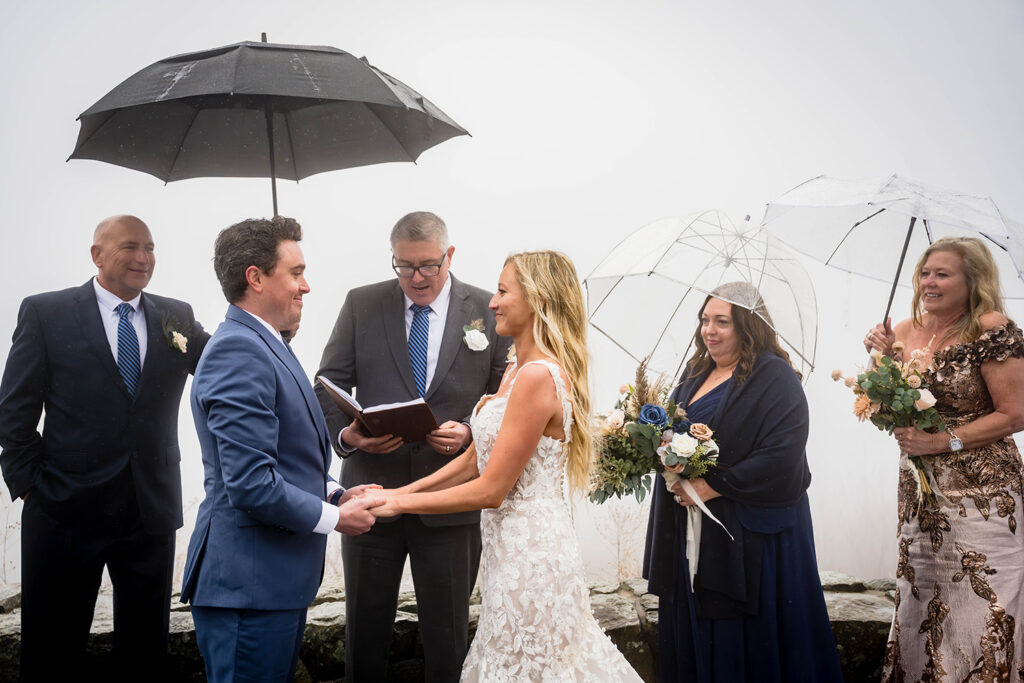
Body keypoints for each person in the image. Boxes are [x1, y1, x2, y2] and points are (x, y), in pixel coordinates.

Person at [369, 250, 643, 681]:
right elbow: (474, 462)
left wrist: (402, 508)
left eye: (502, 291)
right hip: (505, 551)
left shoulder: (538, 376)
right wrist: (397, 493)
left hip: (532, 554)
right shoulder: (517, 369)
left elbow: (490, 490)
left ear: (537, 299)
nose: (492, 303)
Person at [0, 215, 208, 681]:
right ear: (96, 254)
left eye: (150, 248)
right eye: (131, 246)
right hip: (63, 512)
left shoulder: (177, 315)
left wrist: (274, 318)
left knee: (144, 654)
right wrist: (32, 487)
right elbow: (13, 412)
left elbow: (225, 364)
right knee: (52, 652)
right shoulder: (45, 312)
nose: (144, 258)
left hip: (148, 512)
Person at [180, 216, 383, 683]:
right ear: (255, 277)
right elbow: (251, 482)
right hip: (246, 589)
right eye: (295, 273)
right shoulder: (238, 350)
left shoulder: (268, 344)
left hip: (273, 586)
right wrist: (336, 520)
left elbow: (286, 457)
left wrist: (335, 493)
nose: (306, 286)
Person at [315, 211, 510, 682]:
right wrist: (349, 435)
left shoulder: (488, 308)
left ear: (450, 255)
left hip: (450, 506)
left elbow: (506, 390)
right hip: (370, 496)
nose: (417, 278)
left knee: (448, 640)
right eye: (404, 266)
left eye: (427, 265)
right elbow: (327, 384)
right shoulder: (362, 304)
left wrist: (469, 430)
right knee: (364, 634)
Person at [643, 282, 843, 682]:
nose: (709, 331)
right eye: (705, 320)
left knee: (747, 642)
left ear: (748, 326)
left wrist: (711, 486)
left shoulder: (776, 377)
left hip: (752, 536)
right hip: (693, 527)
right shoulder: (696, 372)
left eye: (722, 322)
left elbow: (783, 456)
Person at [862, 236, 1024, 681]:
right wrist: (876, 356)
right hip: (920, 496)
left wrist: (941, 442)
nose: (928, 282)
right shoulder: (902, 329)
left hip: (984, 498)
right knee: (920, 607)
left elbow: (1015, 414)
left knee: (981, 611)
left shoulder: (990, 328)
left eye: (942, 273)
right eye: (924, 273)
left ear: (972, 281)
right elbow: (886, 403)